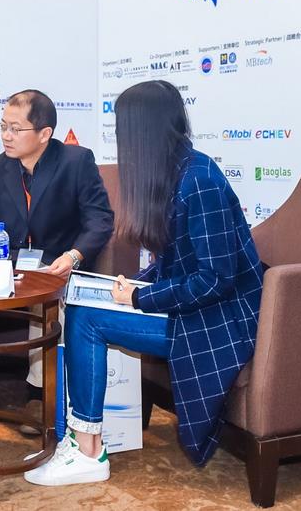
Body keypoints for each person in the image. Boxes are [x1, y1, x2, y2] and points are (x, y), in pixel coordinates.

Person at [24, 79, 264, 486]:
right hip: (191, 310)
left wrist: (142, 297)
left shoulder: (199, 180)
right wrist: (133, 286)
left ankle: (87, 450)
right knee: (85, 303)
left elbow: (215, 280)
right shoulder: (176, 172)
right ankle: (84, 443)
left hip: (218, 323)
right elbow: (178, 262)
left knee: (86, 319)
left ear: (140, 130)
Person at [0, 89, 114, 429]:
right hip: (10, 265)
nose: (6, 135)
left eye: (15, 129)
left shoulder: (76, 162)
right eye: (3, 126)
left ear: (44, 134)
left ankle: (38, 392)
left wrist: (74, 255)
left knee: (47, 300)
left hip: (59, 264)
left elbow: (100, 220)